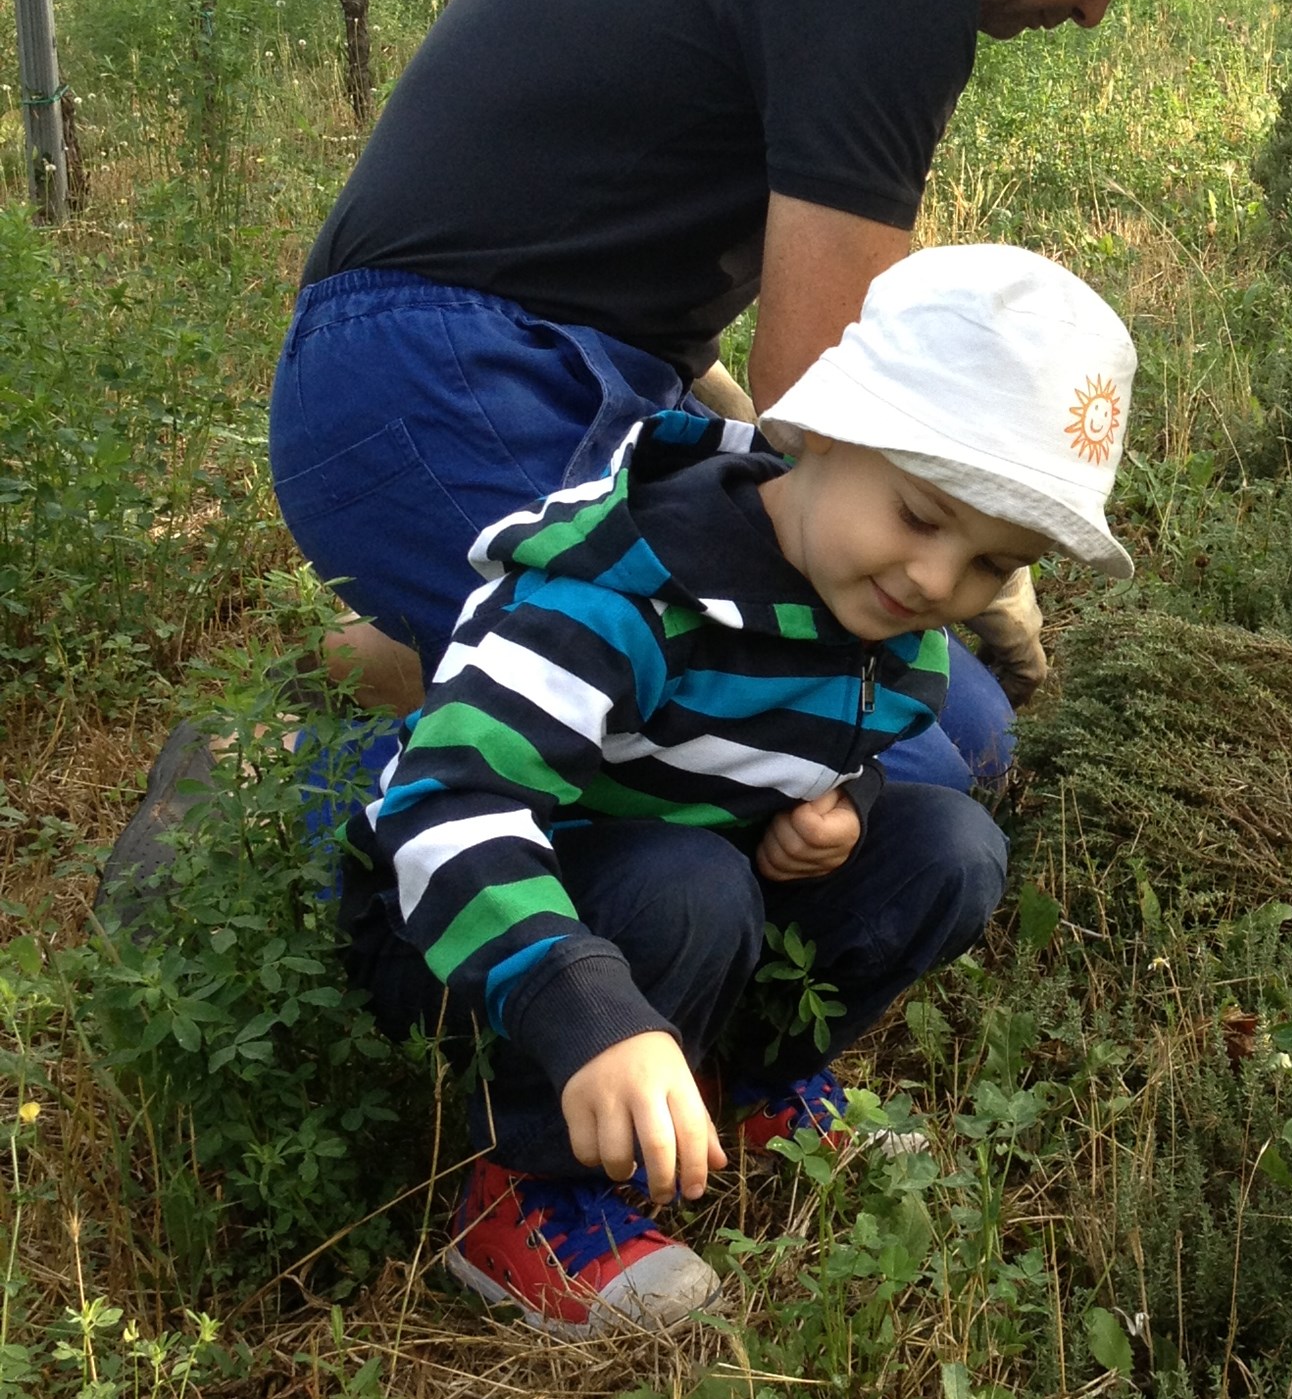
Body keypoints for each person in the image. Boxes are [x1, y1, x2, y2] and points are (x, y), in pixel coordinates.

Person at [268, 0, 1219, 781]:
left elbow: (627, 274)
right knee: (890, 772)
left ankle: (389, 667)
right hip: (437, 378)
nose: (1093, 10)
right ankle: (268, 792)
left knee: (967, 729)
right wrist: (980, 543)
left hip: (517, 368)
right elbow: (813, 374)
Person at [346, 244, 1137, 1336]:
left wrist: (840, 803)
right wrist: (590, 1008)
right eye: (918, 514)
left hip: (671, 899)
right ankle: (521, 1197)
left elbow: (842, 735)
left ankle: (745, 1087)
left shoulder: (888, 630)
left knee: (949, 843)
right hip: (461, 931)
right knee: (694, 880)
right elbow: (444, 802)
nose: (935, 581)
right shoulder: (628, 587)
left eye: (992, 563)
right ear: (820, 429)